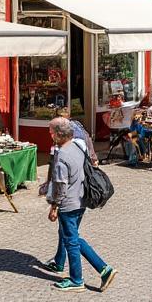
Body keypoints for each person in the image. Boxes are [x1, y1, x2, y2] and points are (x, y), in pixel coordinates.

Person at [40, 117, 116, 292]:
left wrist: (54, 207)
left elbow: (60, 186)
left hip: (69, 204)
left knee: (72, 240)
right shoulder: (78, 147)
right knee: (72, 237)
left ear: (58, 135)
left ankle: (81, 278)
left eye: (51, 132)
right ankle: (98, 269)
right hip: (81, 199)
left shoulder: (62, 157)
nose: (50, 135)